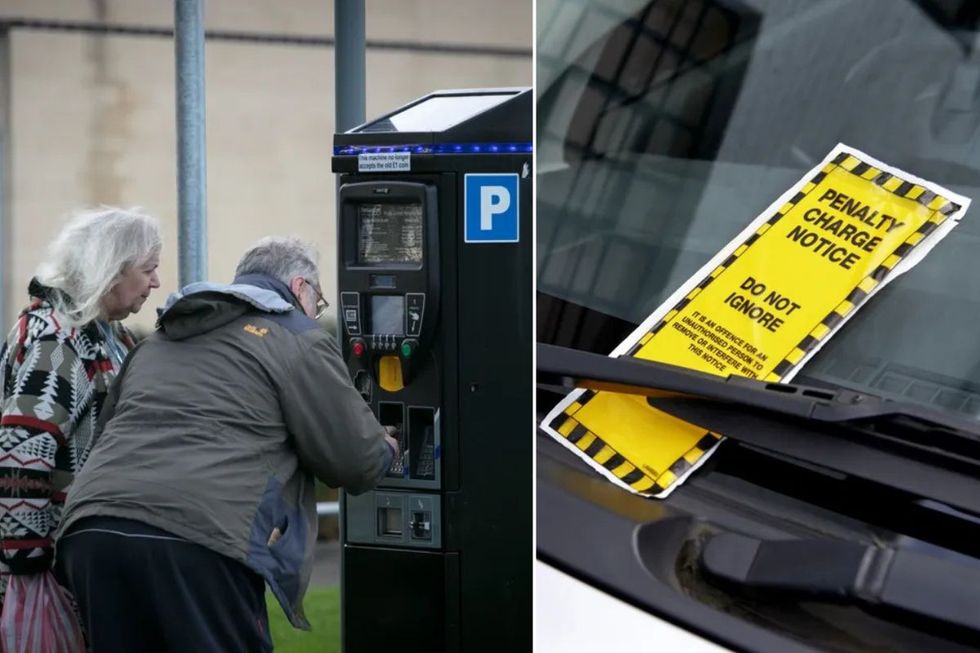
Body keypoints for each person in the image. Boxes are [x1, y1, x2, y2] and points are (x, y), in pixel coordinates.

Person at [55, 236, 397, 652]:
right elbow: (354, 460)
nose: (313, 312)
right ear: (301, 288)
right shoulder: (297, 339)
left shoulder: (157, 343)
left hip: (92, 532)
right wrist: (389, 446)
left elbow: (108, 435)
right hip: (196, 539)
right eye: (318, 301)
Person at [0, 206, 162, 606]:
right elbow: (21, 451)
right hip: (58, 568)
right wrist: (29, 571)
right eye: (148, 269)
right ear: (111, 268)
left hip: (85, 554)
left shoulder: (105, 331)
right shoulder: (58, 338)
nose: (156, 282)